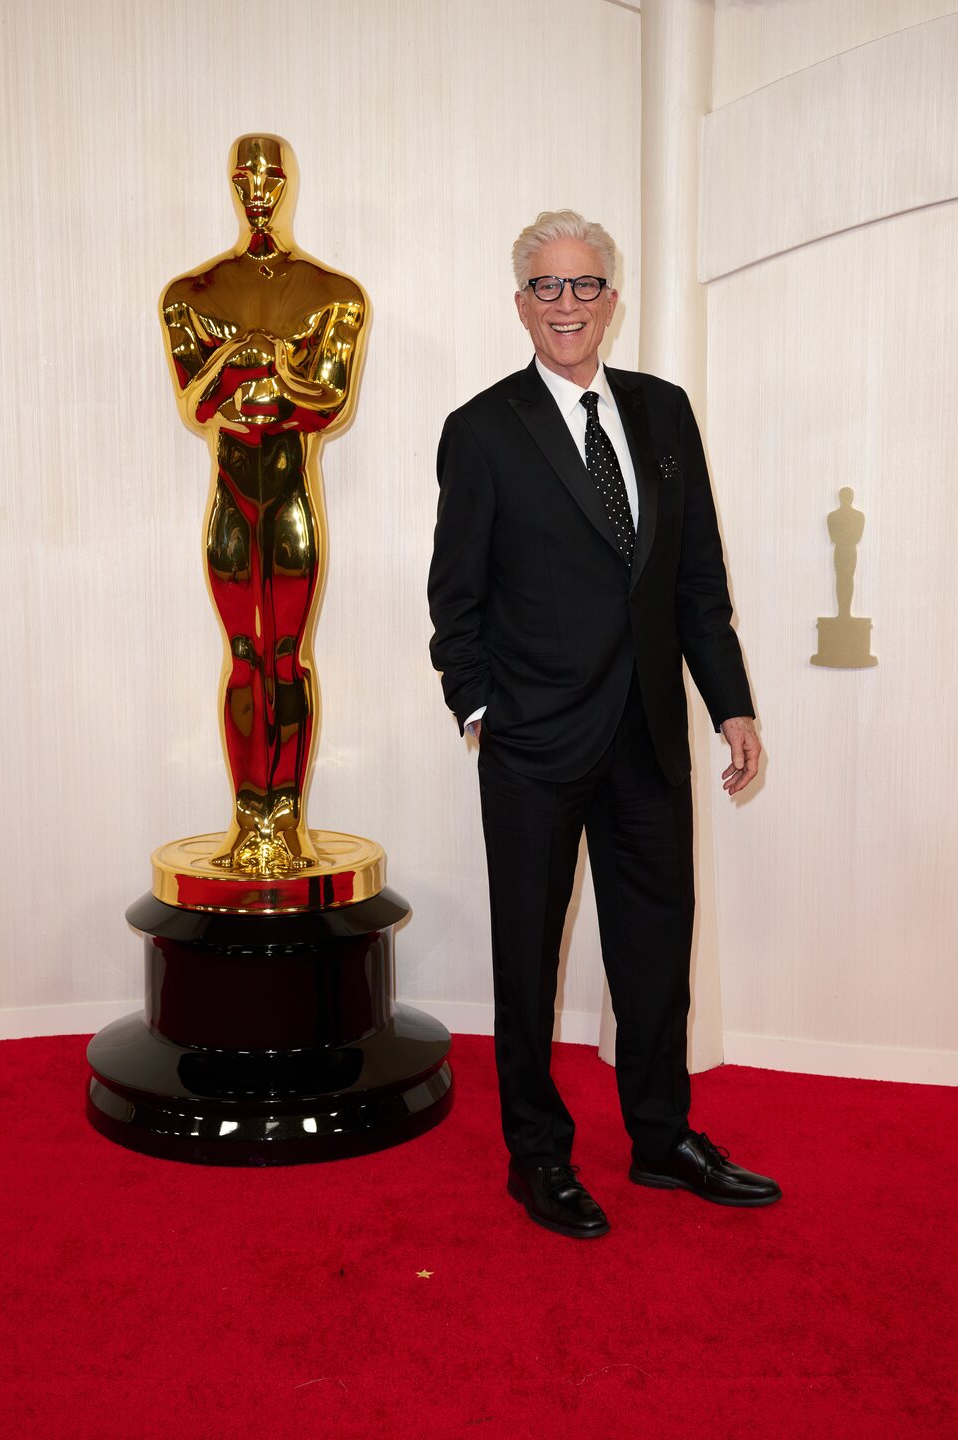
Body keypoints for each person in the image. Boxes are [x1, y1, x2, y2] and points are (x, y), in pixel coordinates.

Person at [428, 210, 780, 1238]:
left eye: (586, 286)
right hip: (534, 742)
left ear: (612, 301)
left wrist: (733, 702)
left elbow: (697, 581)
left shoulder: (665, 415)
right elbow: (457, 599)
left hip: (649, 739)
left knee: (655, 949)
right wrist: (482, 708)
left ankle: (662, 1137)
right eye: (548, 286)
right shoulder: (483, 430)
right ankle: (536, 1155)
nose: (568, 304)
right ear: (521, 304)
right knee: (528, 961)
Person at [160, 134, 366, 877]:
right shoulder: (192, 294)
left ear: (289, 184)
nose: (257, 186)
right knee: (243, 657)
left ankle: (288, 820)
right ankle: (249, 818)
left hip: (288, 499)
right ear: (229, 181)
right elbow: (197, 401)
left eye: (270, 174)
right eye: (245, 174)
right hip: (231, 501)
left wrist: (265, 364)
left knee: (288, 657)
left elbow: (327, 405)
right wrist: (242, 364)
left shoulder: (332, 293)